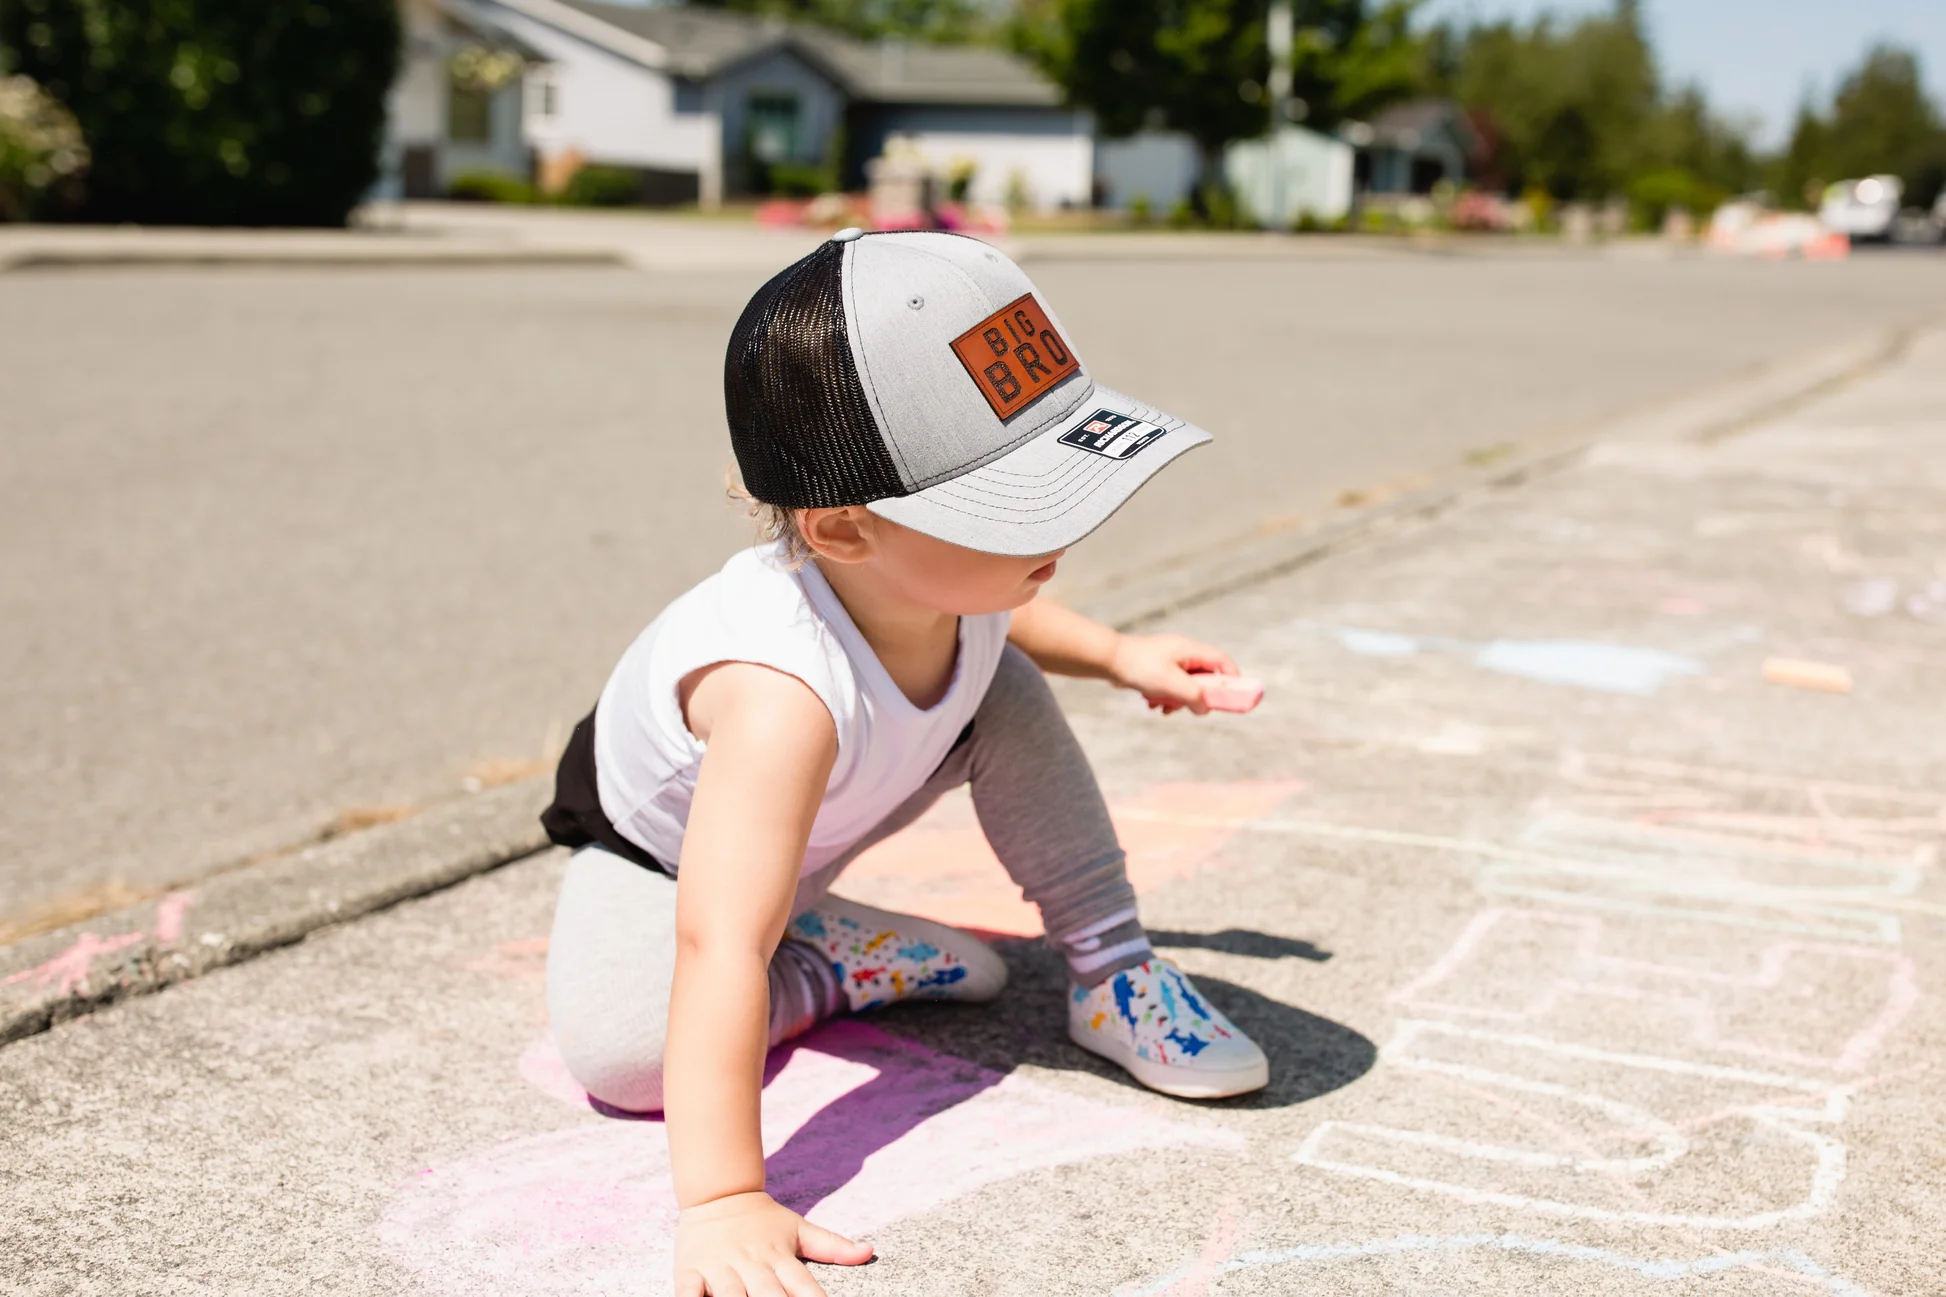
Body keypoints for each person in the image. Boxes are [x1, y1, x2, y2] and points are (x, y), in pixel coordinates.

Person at [540, 228, 1268, 1297]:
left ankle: (1112, 970)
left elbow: (1000, 621)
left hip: (834, 810)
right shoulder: (777, 694)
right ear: (839, 533)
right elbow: (715, 942)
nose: (1065, 518)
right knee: (628, 1059)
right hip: (667, 863)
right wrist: (726, 1198)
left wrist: (1118, 655)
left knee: (1003, 679)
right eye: (1009, 498)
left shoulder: (942, 583)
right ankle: (826, 959)